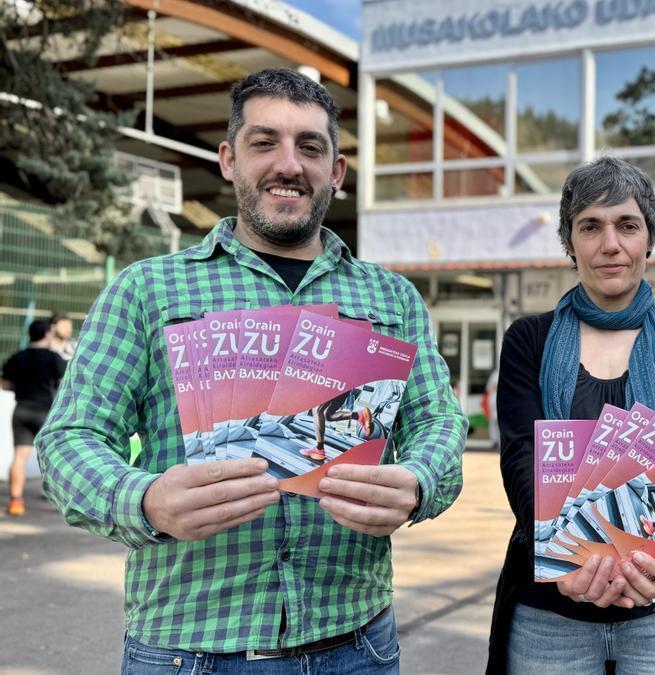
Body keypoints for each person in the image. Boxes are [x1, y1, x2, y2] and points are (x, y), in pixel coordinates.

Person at [36, 68, 467, 673]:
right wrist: (144, 499)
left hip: (356, 645)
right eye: (264, 143)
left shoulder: (391, 300)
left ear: (336, 174)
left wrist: (420, 480)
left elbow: (440, 422)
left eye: (310, 147)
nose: (288, 164)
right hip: (190, 650)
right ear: (229, 160)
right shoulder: (146, 289)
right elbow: (69, 439)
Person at [487, 157, 655, 674]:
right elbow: (522, 458)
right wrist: (566, 564)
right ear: (570, 242)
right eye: (590, 226)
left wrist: (653, 562)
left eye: (627, 225)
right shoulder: (529, 340)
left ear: (649, 239)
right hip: (549, 609)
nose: (610, 243)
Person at [2, 319, 67, 515]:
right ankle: (60, 503)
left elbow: (5, 384)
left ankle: (15, 502)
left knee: (20, 457)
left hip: (21, 410)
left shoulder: (17, 357)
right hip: (45, 413)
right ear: (48, 334)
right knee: (54, 459)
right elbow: (66, 385)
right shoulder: (54, 358)